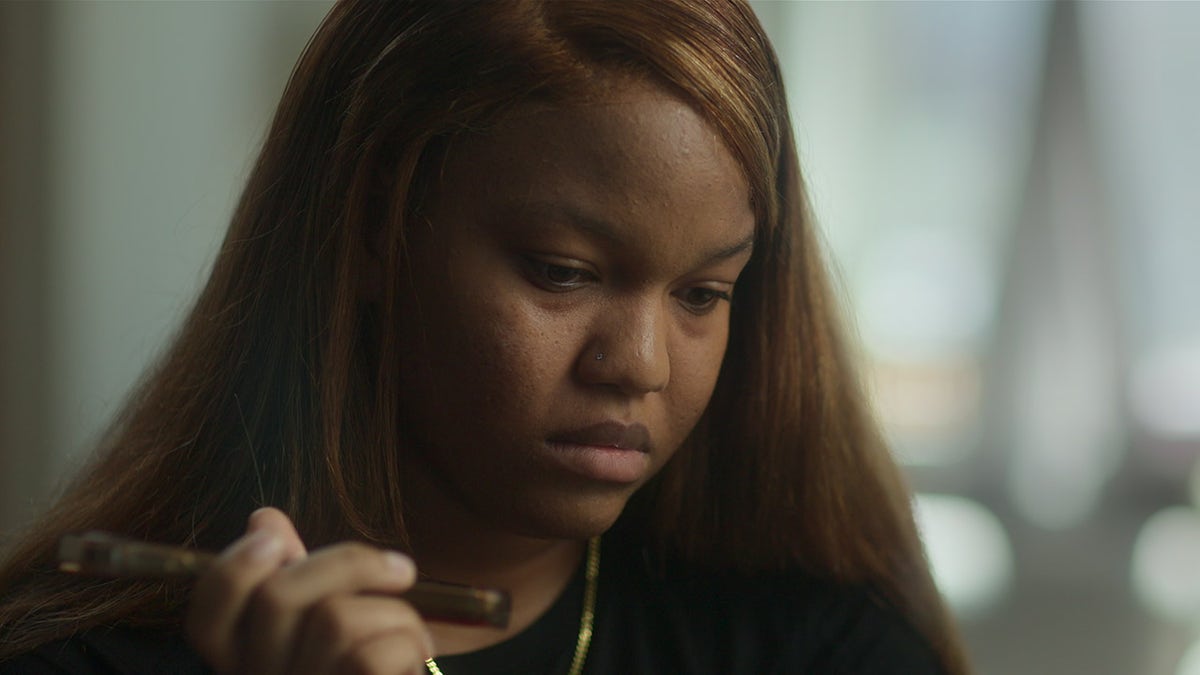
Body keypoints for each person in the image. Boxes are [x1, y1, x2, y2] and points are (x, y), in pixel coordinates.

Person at [0, 1, 971, 673]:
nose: (638, 365)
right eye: (562, 272)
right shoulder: (80, 658)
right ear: (375, 224)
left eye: (702, 294)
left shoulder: (825, 649)